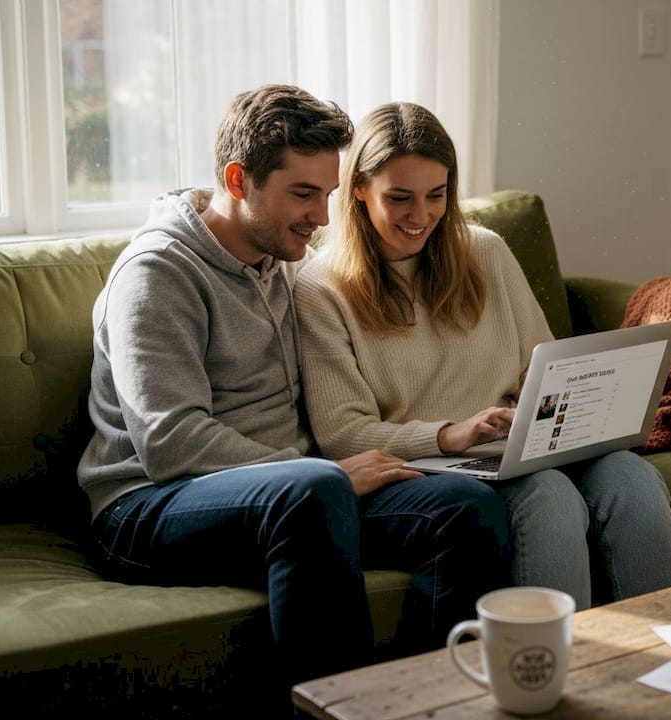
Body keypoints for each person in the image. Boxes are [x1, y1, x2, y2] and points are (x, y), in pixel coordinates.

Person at [76, 85, 511, 691]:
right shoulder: (157, 273)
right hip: (148, 506)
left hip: (294, 493)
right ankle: (347, 709)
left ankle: (433, 703)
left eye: (328, 194)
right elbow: (171, 443)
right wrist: (326, 474)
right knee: (312, 490)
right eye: (302, 194)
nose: (321, 216)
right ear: (238, 180)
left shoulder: (280, 260)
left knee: (466, 508)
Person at [294, 102, 671, 609]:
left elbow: (540, 368)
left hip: (520, 447)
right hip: (437, 470)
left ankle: (667, 658)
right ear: (359, 191)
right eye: (400, 198)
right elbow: (342, 434)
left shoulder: (486, 251)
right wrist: (450, 435)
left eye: (436, 196)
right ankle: (559, 670)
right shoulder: (321, 288)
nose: (421, 217)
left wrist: (582, 408)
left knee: (633, 480)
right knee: (550, 498)